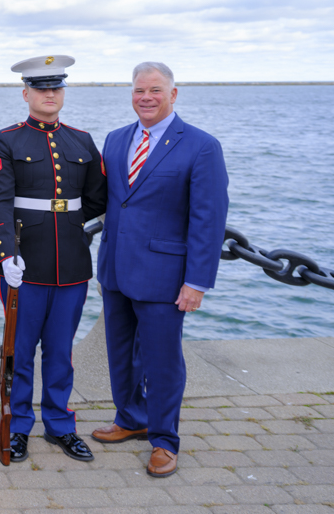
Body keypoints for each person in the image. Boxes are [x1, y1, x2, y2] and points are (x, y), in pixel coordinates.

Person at [92, 62, 229, 478]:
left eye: (154, 90)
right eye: (138, 91)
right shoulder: (116, 140)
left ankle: (165, 440)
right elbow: (109, 201)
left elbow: (209, 219)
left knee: (163, 360)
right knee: (120, 354)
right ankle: (131, 417)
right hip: (115, 270)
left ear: (173, 94)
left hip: (165, 277)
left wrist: (197, 282)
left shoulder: (201, 146)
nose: (146, 98)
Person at [0, 55, 106, 464]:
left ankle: (60, 424)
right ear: (26, 94)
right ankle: (19, 425)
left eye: (56, 87)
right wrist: (7, 254)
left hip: (71, 261)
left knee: (60, 350)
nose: (49, 94)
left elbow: (95, 198)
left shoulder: (82, 140)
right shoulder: (7, 140)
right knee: (20, 350)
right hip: (25, 263)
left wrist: (70, 226)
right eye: (41, 88)